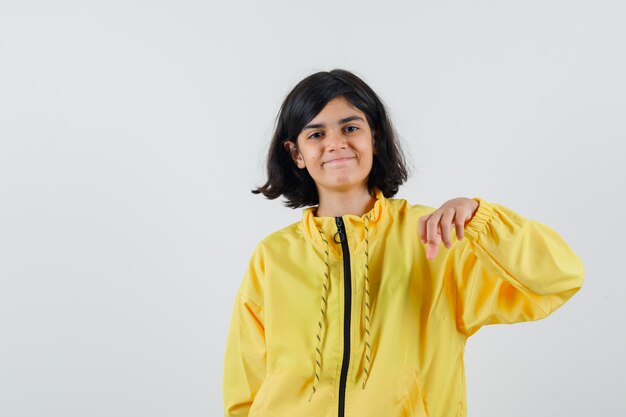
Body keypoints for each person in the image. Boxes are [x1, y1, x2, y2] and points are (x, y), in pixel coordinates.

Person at [221, 69, 584, 417]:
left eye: (350, 127)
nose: (335, 143)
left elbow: (558, 277)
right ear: (296, 153)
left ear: (374, 138)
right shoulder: (273, 256)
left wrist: (481, 219)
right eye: (315, 135)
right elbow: (245, 383)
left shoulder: (436, 237)